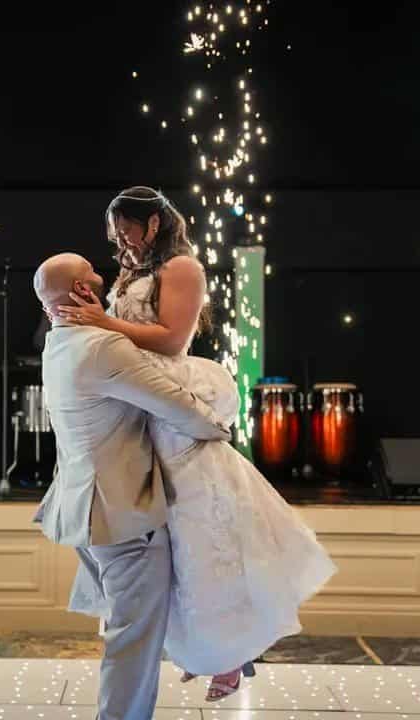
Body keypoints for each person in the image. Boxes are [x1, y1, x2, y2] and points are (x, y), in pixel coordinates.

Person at [59, 186, 337, 702]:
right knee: (167, 546)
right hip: (133, 396)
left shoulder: (183, 269)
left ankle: (229, 651)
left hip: (164, 390)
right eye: (114, 229)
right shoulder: (129, 271)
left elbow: (172, 339)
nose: (119, 238)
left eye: (127, 226)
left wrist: (103, 323)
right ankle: (197, 646)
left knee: (199, 534)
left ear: (154, 225)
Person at [31, 252, 232, 720]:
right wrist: (217, 426)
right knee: (133, 644)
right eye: (90, 274)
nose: (101, 276)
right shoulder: (101, 347)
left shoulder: (57, 344)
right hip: (122, 517)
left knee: (132, 630)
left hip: (84, 510)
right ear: (82, 291)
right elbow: (176, 406)